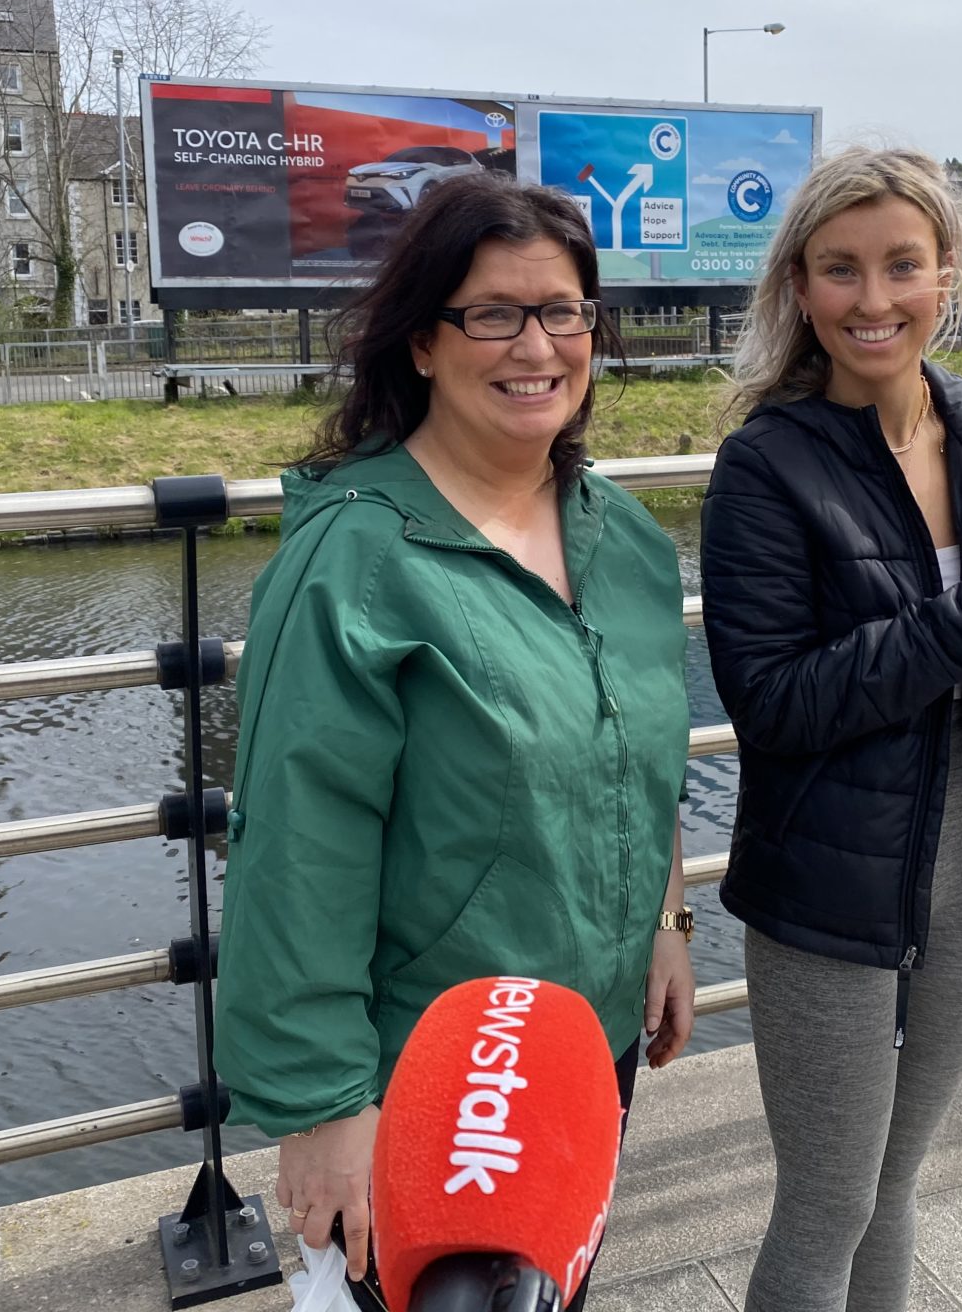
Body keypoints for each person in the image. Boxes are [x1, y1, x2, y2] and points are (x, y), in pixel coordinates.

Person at [215, 173, 696, 1309]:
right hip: (433, 1074)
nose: (535, 344)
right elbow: (297, 847)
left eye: (562, 310)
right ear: (422, 342)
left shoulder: (617, 533)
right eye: (491, 312)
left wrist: (665, 926)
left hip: (580, 1048)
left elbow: (642, 755)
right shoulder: (355, 560)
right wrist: (326, 1110)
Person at [701, 147, 962, 1312]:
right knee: (825, 1205)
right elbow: (769, 703)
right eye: (839, 270)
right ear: (797, 288)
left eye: (900, 267)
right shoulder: (764, 464)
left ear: (947, 276)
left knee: (897, 1183)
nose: (871, 301)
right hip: (823, 880)